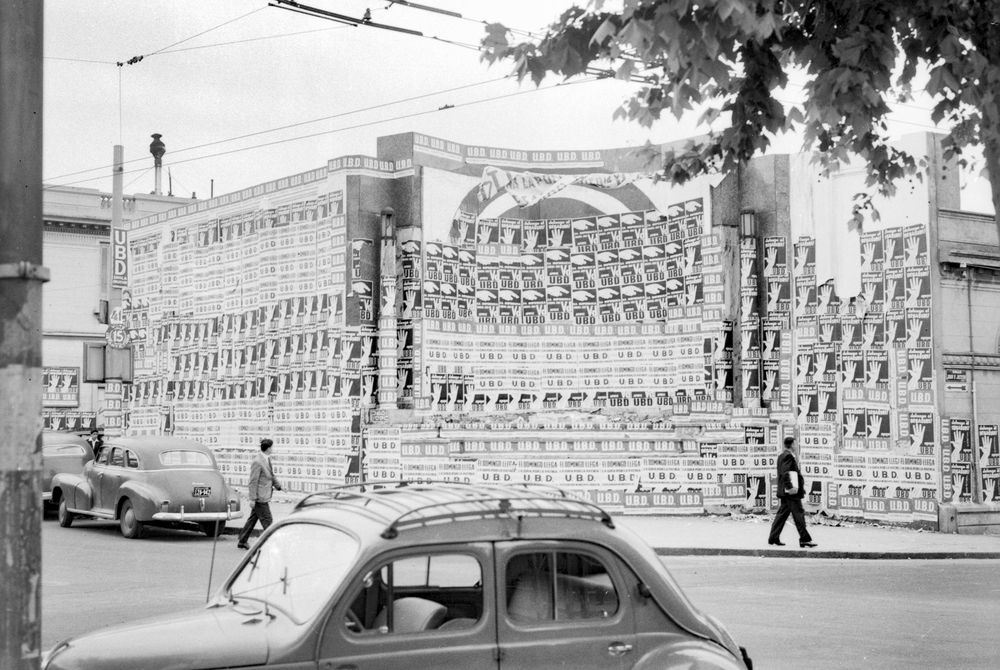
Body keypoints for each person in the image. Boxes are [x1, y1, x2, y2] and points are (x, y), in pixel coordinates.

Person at [767, 436, 817, 548]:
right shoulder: (788, 456)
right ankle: (804, 539)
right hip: (791, 493)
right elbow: (785, 473)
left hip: (786, 492)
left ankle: (773, 538)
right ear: (792, 445)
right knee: (799, 515)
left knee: (781, 516)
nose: (797, 445)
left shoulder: (781, 456)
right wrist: (790, 487)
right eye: (796, 443)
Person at [237, 438, 283, 549]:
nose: (273, 449)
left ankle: (242, 541)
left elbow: (271, 475)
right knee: (268, 521)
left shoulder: (266, 459)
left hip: (263, 495)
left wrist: (279, 486)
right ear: (268, 448)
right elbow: (253, 481)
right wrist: (252, 499)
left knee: (253, 519)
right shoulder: (257, 461)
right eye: (272, 447)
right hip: (260, 497)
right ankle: (273, 544)